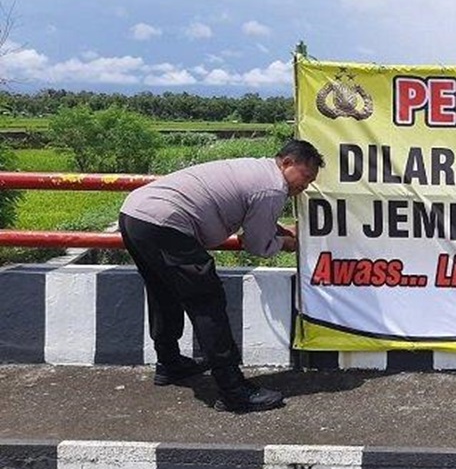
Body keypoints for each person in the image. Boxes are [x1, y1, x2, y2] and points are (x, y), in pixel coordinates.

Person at [118, 139, 325, 413]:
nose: (305, 186)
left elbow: (252, 218)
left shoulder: (259, 171)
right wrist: (285, 243)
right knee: (207, 302)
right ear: (287, 162)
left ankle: (169, 362)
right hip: (166, 222)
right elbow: (255, 244)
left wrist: (275, 232)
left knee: (163, 292)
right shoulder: (273, 188)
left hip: (135, 214)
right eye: (306, 177)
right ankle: (234, 391)